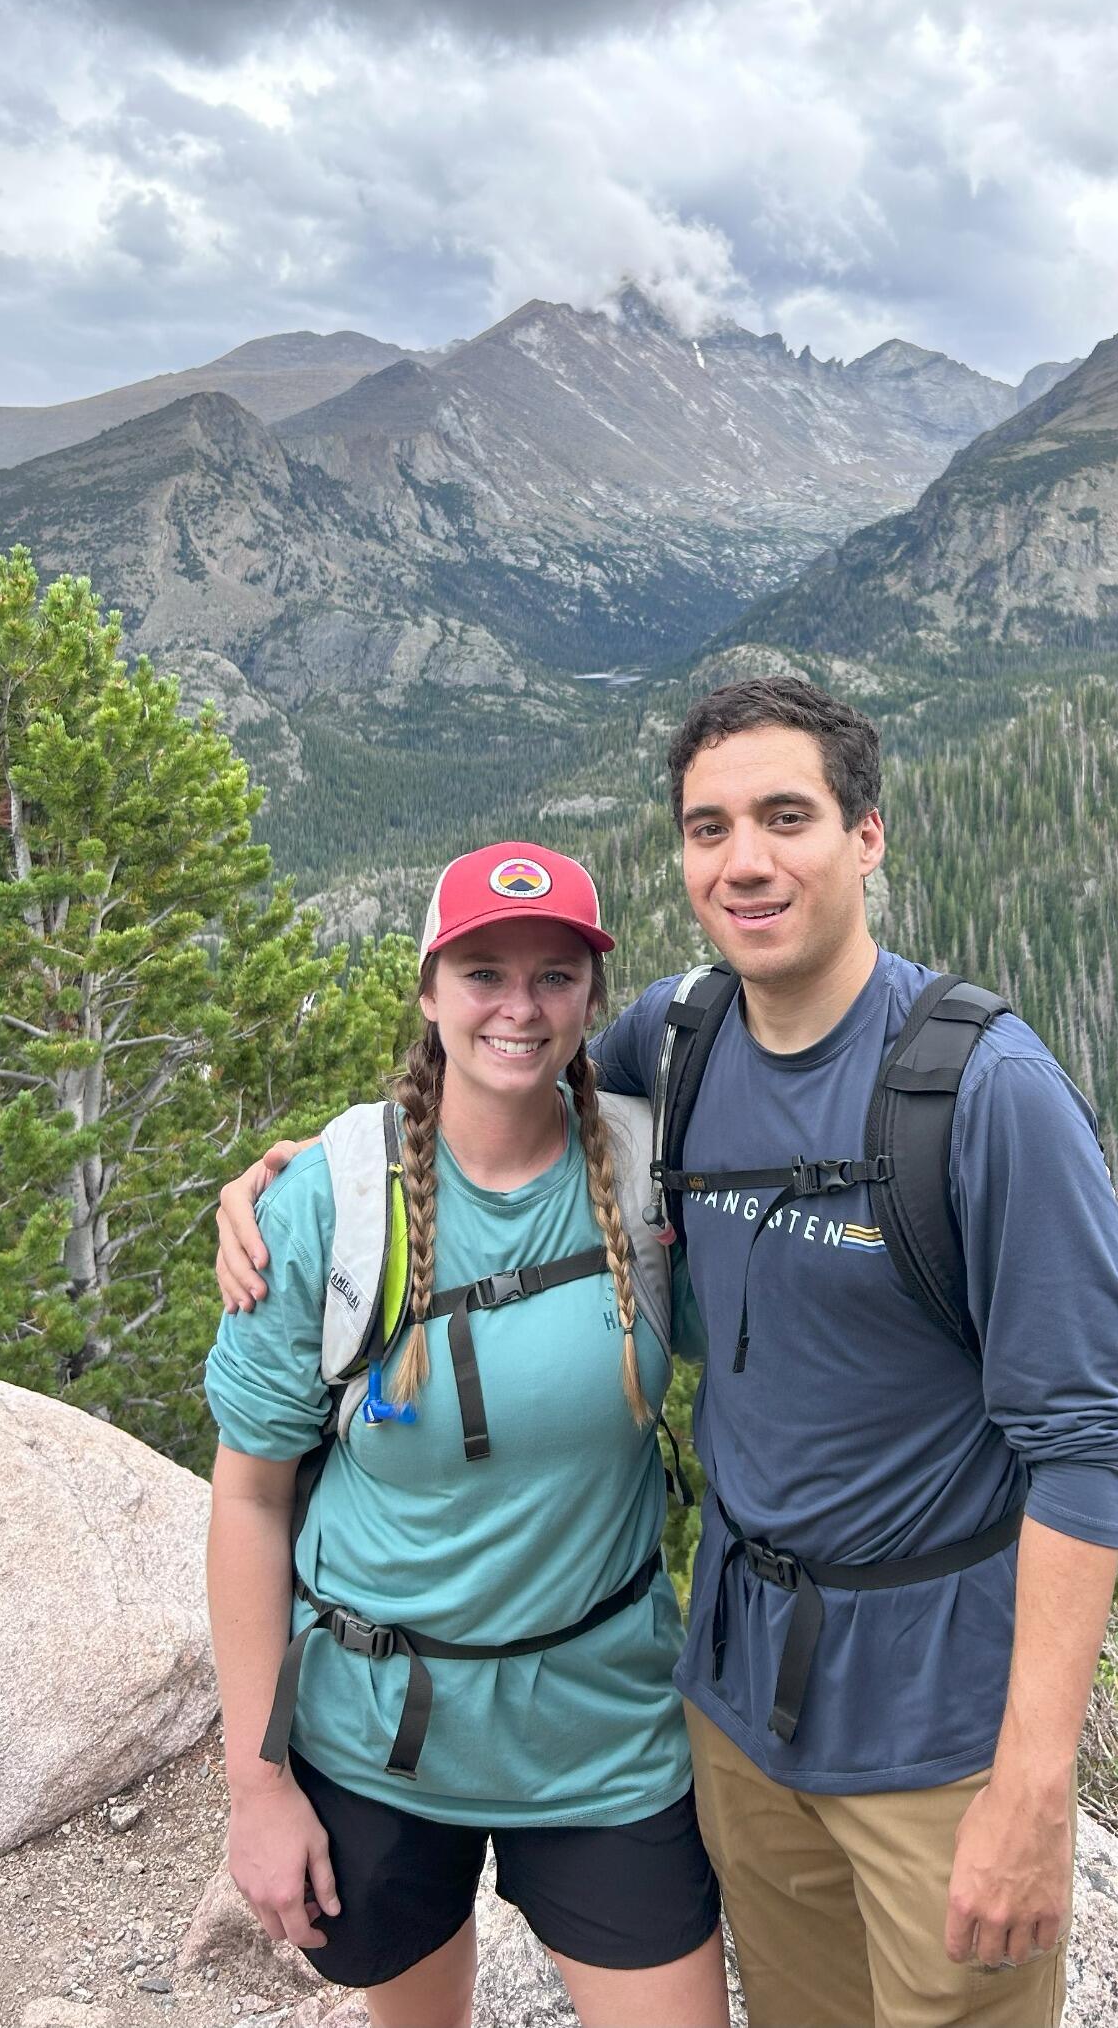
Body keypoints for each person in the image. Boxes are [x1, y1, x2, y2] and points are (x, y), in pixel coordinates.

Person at [220, 679, 1118, 2028]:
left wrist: (1033, 1783)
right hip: (731, 1708)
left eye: (786, 817)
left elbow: (1083, 1445)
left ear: (866, 836)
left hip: (926, 1716)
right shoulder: (680, 1044)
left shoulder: (981, 1091)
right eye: (709, 827)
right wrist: (297, 1179)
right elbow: (495, 1094)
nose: (745, 859)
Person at [204, 840, 729, 2028]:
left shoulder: (650, 1177)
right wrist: (257, 1784)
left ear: (595, 998)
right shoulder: (333, 1203)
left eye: (554, 975)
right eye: (484, 971)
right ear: (431, 988)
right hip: (380, 1731)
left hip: (600, 1728)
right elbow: (248, 1497)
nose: (518, 1006)